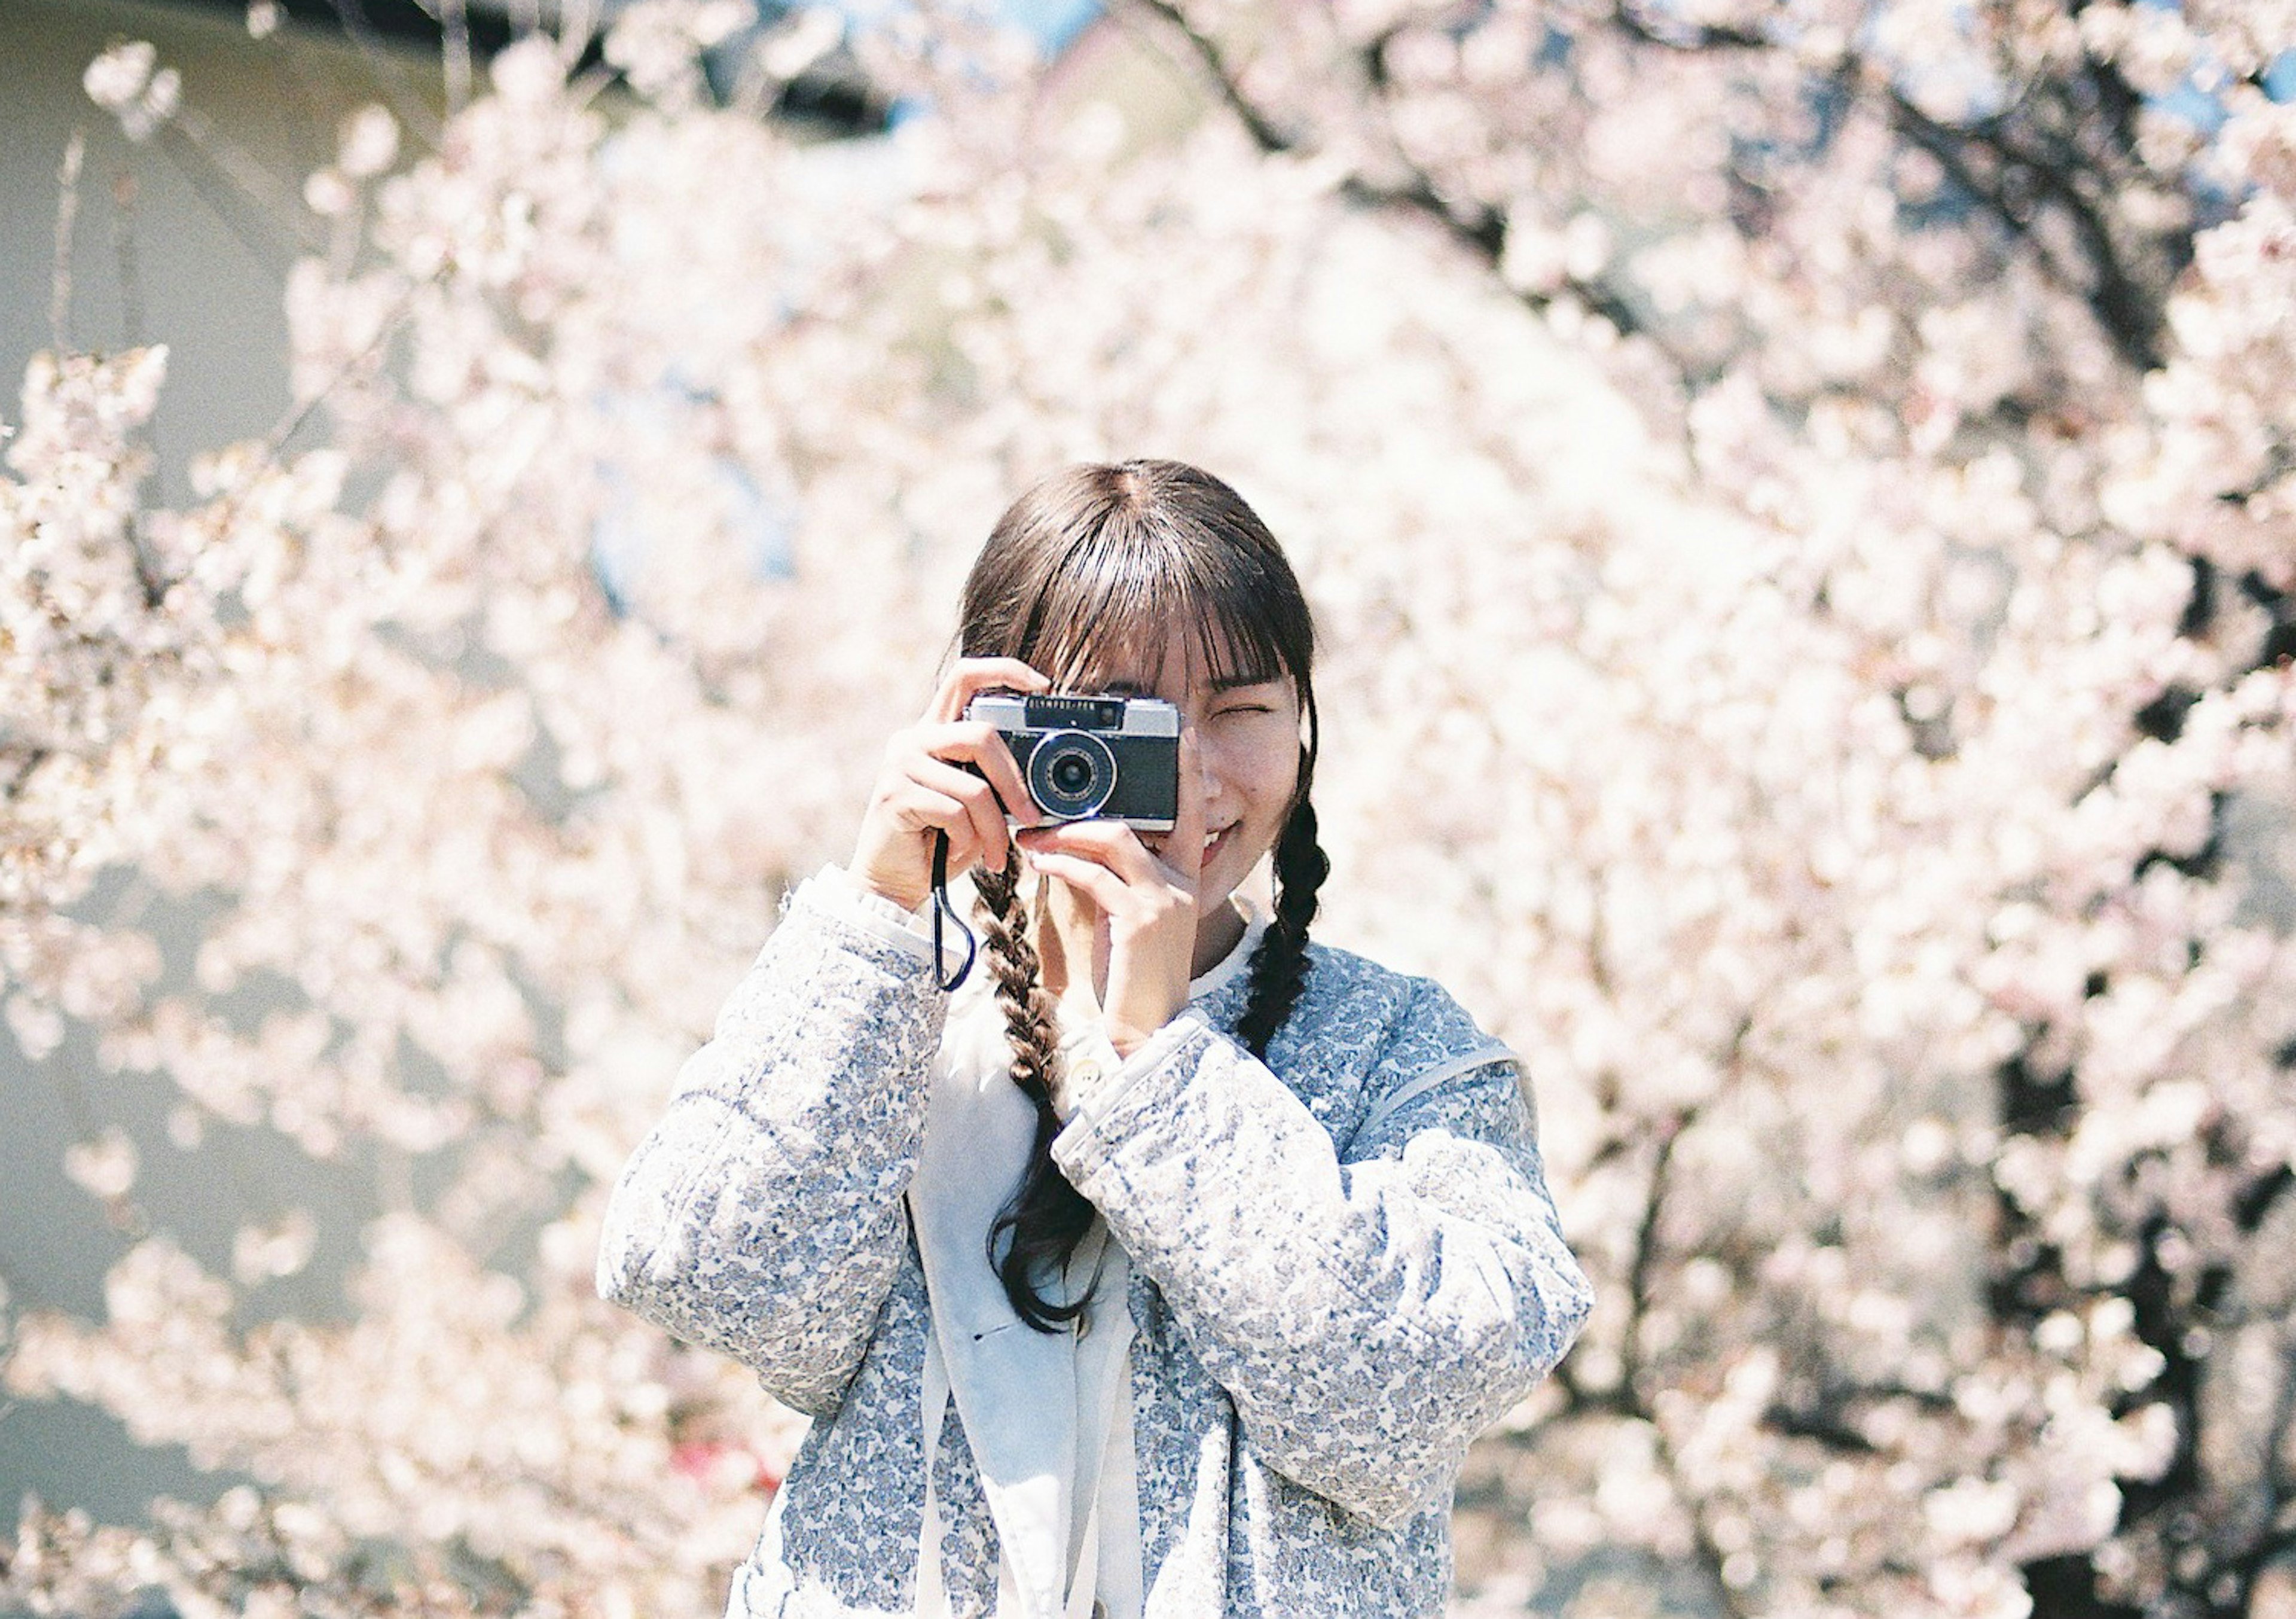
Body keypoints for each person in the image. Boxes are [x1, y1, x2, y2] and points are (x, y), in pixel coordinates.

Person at [596, 459, 1593, 1618]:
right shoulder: (904, 1013)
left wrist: (1159, 1065)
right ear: (990, 723)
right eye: (1125, 721)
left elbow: (1395, 1408)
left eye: (1240, 710)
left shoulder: (1404, 1052)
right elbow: (708, 1276)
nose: (1188, 780)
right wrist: (876, 913)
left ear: (1305, 730)